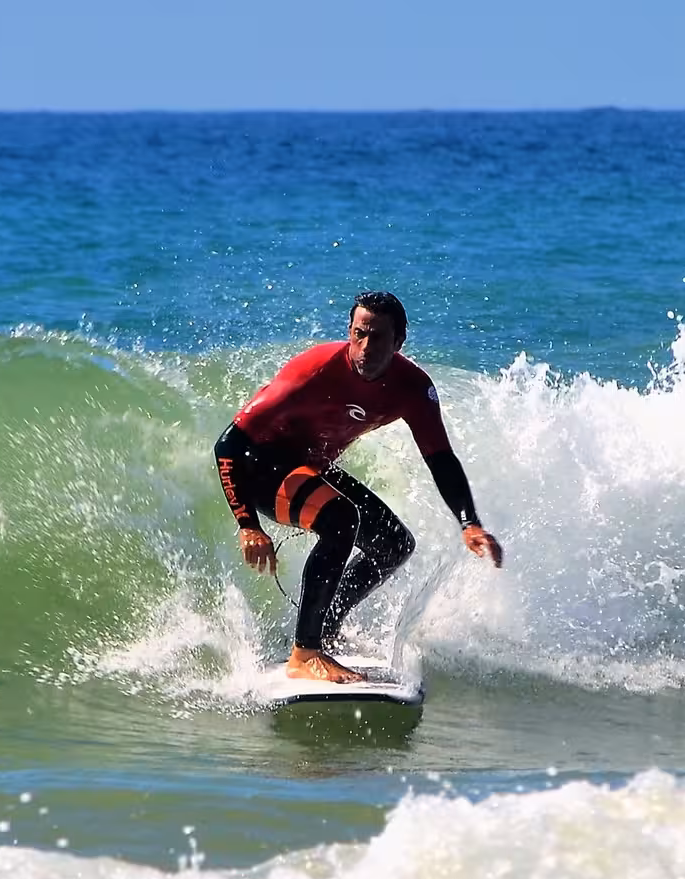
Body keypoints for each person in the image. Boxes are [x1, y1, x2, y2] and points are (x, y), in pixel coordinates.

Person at [214, 290, 503, 683]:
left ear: (399, 342)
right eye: (358, 334)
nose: (364, 347)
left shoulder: (412, 388)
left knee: (393, 545)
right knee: (340, 519)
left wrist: (468, 522)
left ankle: (324, 623)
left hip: (308, 467)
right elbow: (229, 444)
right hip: (260, 467)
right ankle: (305, 654)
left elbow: (440, 457)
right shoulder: (314, 371)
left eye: (377, 337)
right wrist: (248, 523)